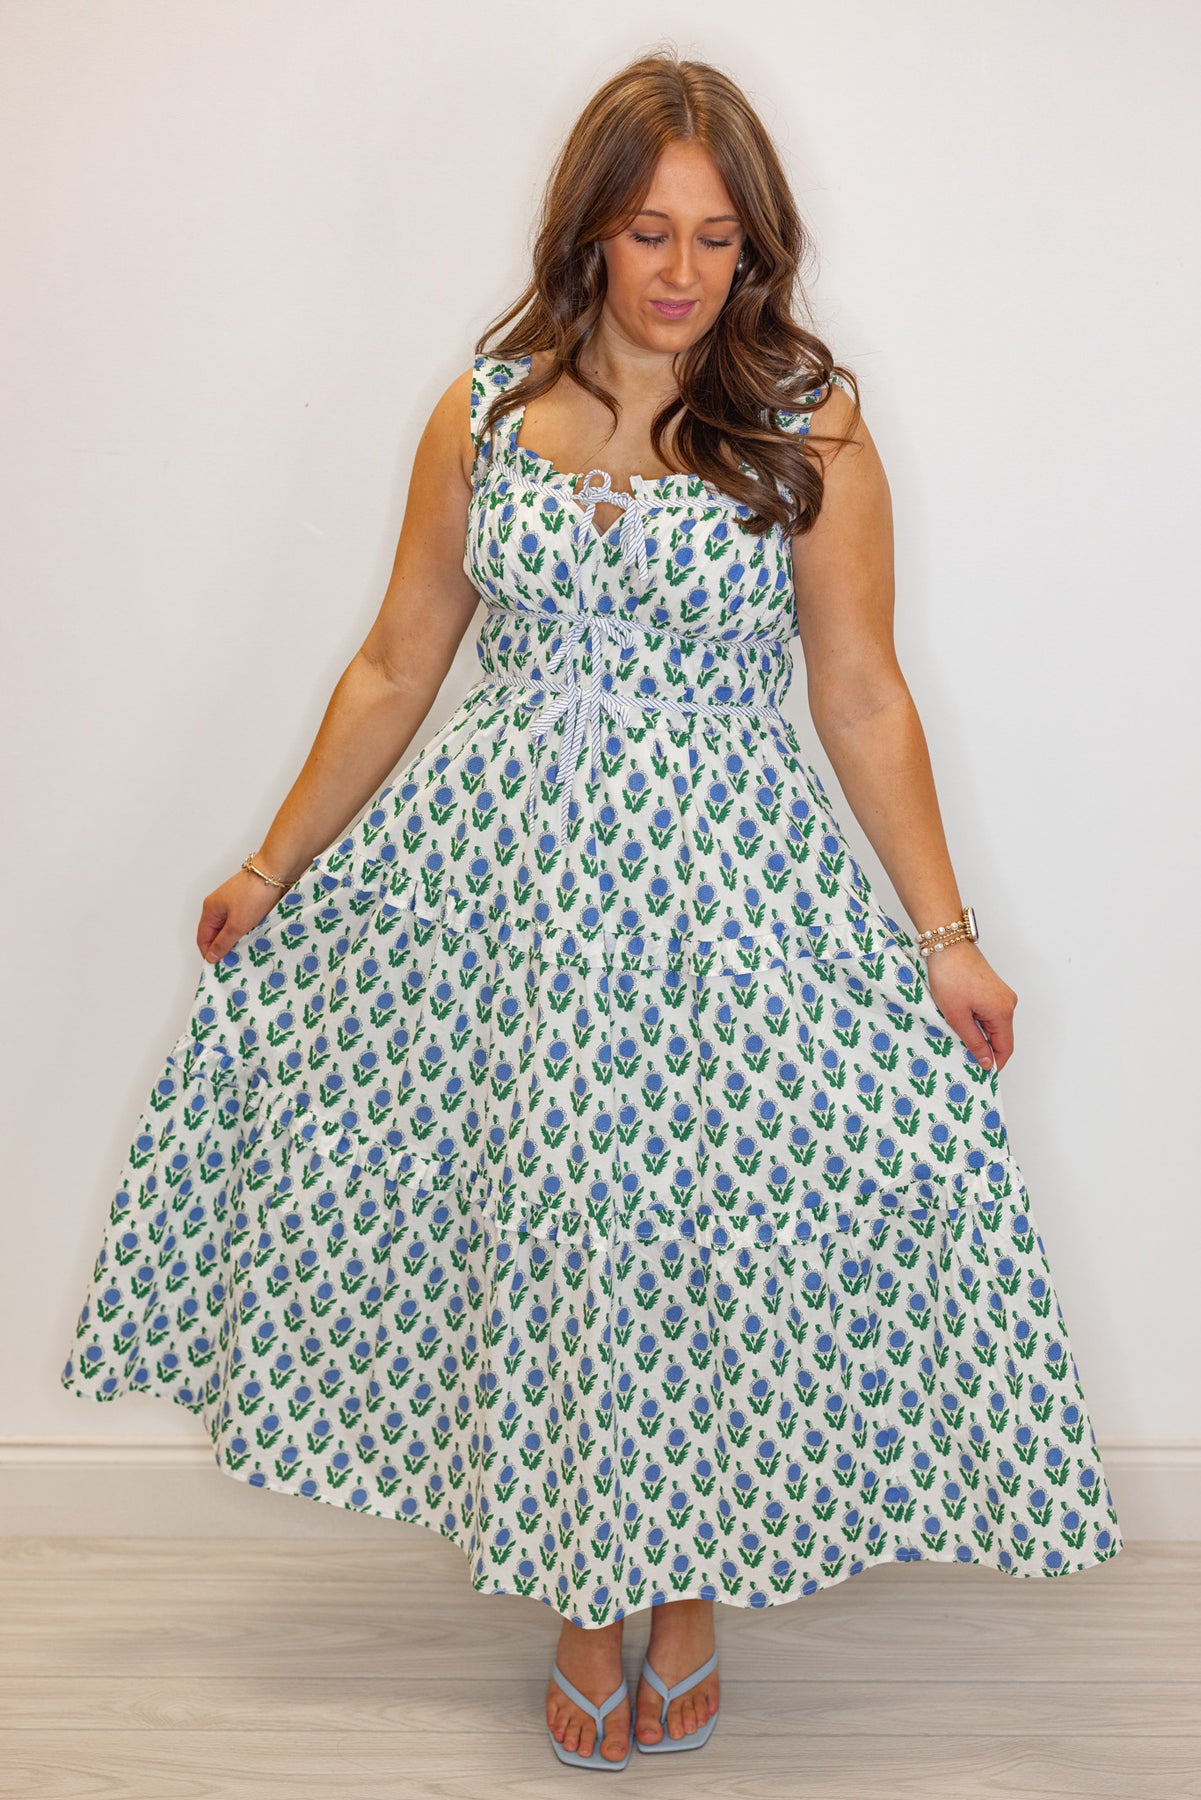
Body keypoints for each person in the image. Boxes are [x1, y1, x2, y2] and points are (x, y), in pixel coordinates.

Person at [61, 50, 1123, 1774]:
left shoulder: (809, 423)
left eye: (715, 236)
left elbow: (860, 691)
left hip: (724, 899)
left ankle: (682, 1586)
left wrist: (945, 939)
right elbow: (399, 660)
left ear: (753, 247)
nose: (682, 270)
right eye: (649, 231)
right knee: (550, 1237)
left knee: (692, 1240)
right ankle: (580, 1585)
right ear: (589, 235)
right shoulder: (481, 412)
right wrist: (272, 865)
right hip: (501, 896)